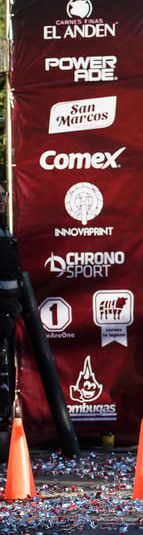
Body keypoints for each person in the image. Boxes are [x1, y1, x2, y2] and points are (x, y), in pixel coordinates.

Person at [0, 183, 23, 443]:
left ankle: (5, 421)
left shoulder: (5, 229)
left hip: (7, 311)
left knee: (6, 371)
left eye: (3, 195)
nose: (1, 200)